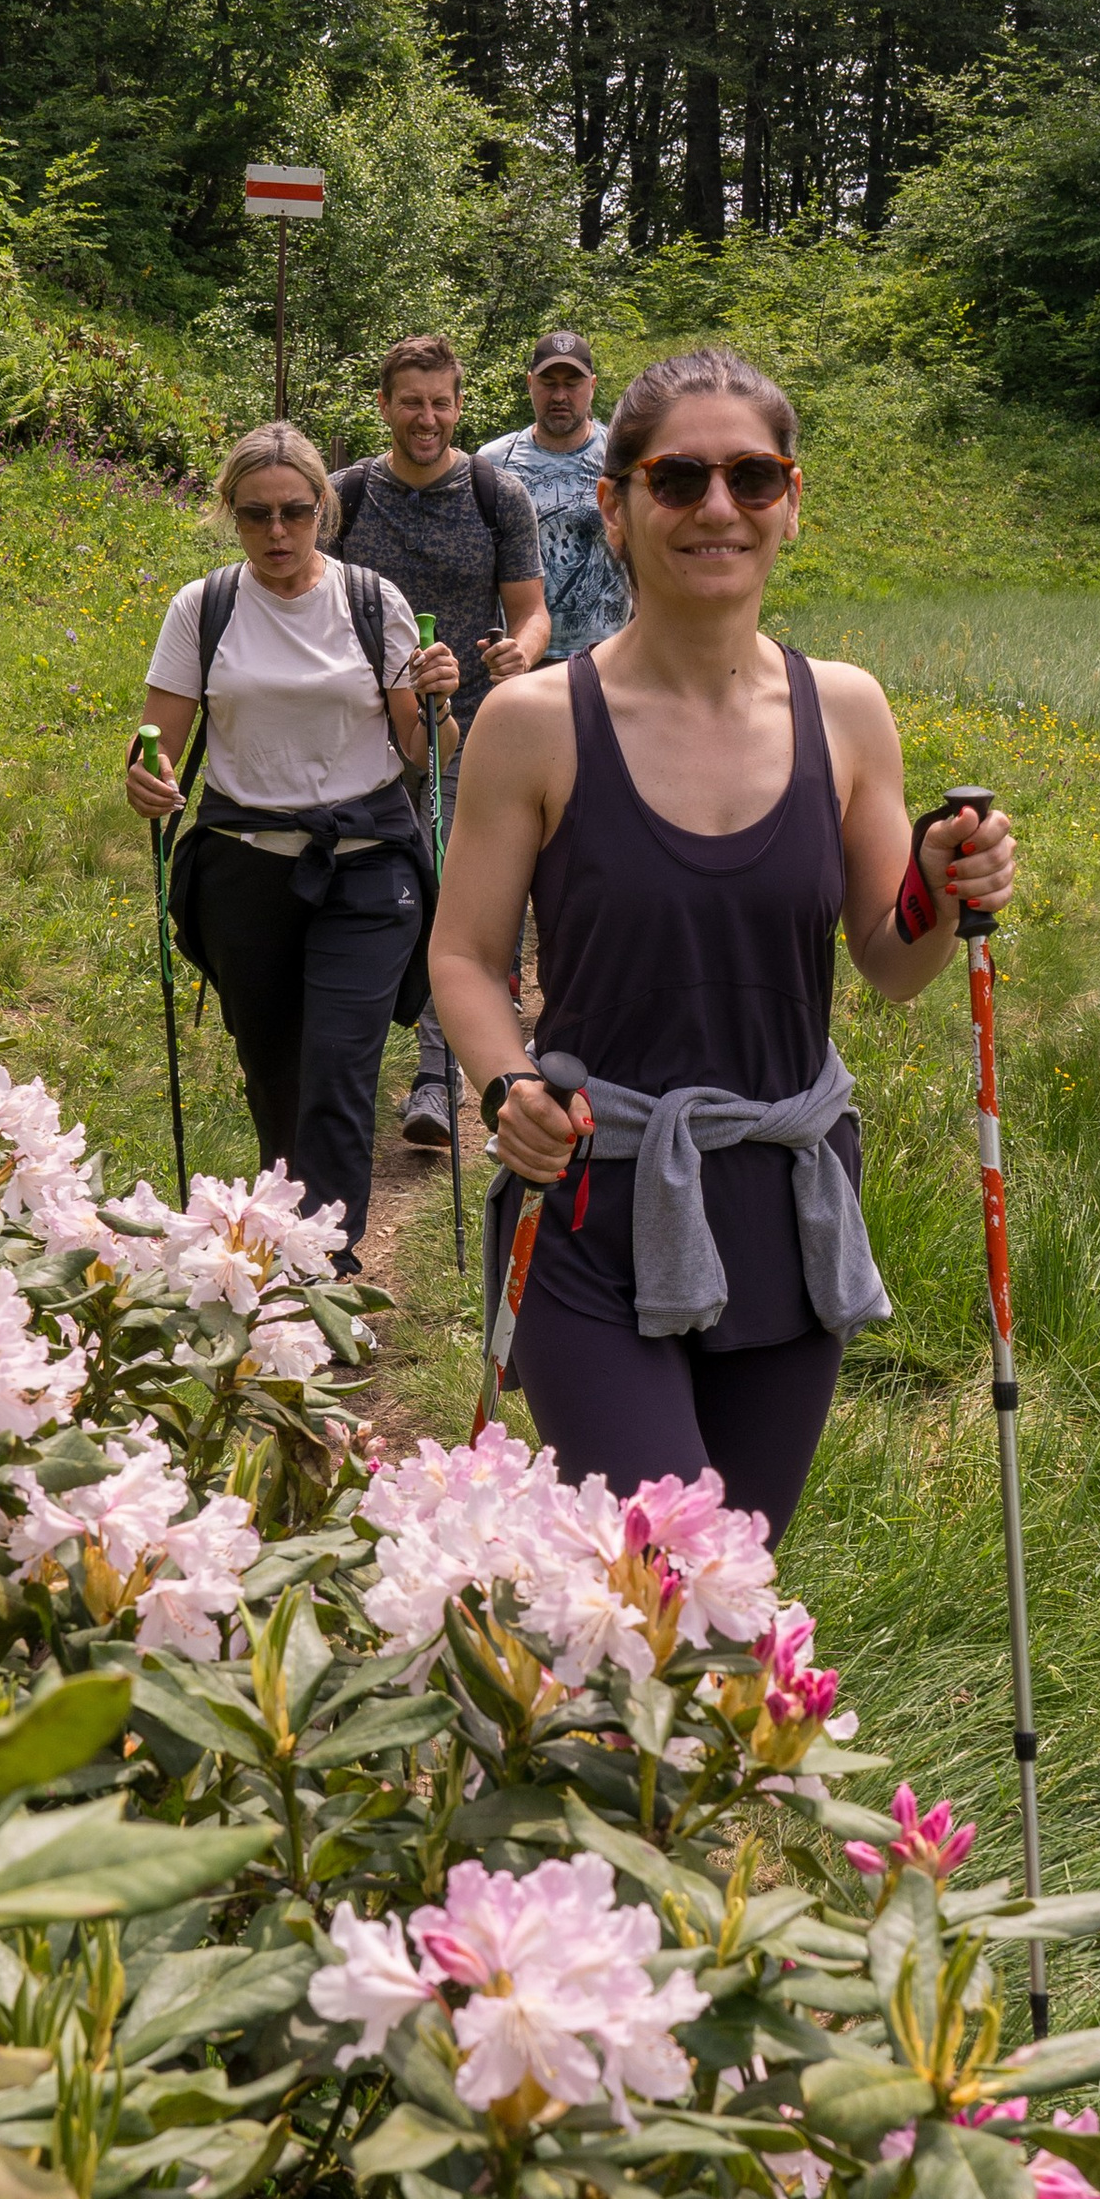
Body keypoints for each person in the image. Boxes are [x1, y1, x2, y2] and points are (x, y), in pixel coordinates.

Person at [428, 344, 1015, 1542]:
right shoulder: (534, 724)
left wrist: (946, 889)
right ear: (615, 503)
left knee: (733, 1584)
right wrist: (506, 1085)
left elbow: (890, 960)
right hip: (592, 1199)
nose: (715, 508)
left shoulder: (842, 709)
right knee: (666, 1582)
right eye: (677, 478)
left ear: (791, 504)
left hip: (787, 1204)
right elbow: (461, 957)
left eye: (753, 478)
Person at [127, 422, 459, 1269]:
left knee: (339, 1070)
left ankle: (328, 1269)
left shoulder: (371, 601)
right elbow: (155, 740)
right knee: (274, 1071)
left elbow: (423, 752)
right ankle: (285, 1235)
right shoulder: (204, 607)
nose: (277, 532)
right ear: (231, 516)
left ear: (325, 508)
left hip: (367, 861)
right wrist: (146, 780)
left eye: (295, 512)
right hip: (245, 866)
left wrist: (439, 704)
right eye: (254, 515)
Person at [325, 336, 546, 1151]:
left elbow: (530, 609)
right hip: (362, 733)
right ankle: (346, 1061)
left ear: (460, 406)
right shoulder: (343, 498)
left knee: (459, 891)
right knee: (388, 891)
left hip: (479, 730)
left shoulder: (497, 495)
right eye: (411, 402)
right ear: (383, 405)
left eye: (441, 403)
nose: (427, 418)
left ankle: (435, 1075)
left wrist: (522, 650)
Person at [476, 328, 632, 666]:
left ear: (591, 386)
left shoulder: (619, 458)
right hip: (520, 659)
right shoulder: (493, 463)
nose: (560, 395)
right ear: (530, 383)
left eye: (572, 383)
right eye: (549, 383)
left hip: (609, 655)